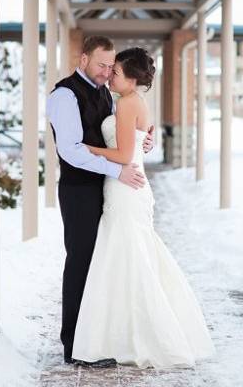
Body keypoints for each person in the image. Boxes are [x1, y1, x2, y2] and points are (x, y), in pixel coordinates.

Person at [71, 47, 215, 368]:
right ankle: (124, 335)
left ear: (132, 78)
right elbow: (138, 145)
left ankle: (134, 336)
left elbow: (122, 155)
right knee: (129, 258)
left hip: (124, 187)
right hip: (131, 186)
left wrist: (85, 148)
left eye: (117, 72)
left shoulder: (125, 103)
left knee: (127, 259)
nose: (111, 75)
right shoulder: (137, 102)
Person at [46, 35, 154, 366]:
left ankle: (98, 339)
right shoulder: (64, 95)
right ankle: (74, 346)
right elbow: (71, 150)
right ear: (83, 60)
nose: (107, 72)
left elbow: (120, 136)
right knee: (80, 263)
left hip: (107, 189)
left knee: (103, 264)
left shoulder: (109, 94)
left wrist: (141, 142)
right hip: (79, 190)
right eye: (102, 65)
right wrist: (118, 168)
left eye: (111, 66)